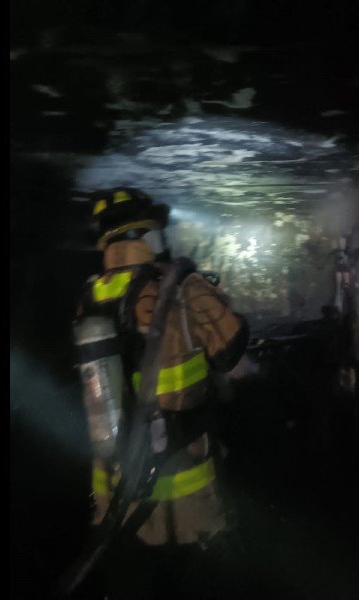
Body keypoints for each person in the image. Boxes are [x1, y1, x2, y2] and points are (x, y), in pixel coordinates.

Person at [72, 187, 250, 599]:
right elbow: (232, 347)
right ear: (151, 234)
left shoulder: (88, 297)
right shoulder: (184, 288)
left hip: (117, 499)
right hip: (187, 500)